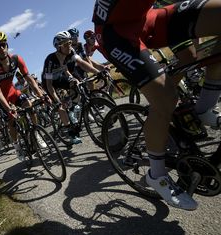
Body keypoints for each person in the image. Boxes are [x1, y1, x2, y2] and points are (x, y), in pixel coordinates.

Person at [92, 0, 221, 210]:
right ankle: (157, 175)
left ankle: (203, 108)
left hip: (151, 17)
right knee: (166, 98)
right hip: (116, 33)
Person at [0, 31, 49, 160]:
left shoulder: (16, 59)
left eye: (3, 44)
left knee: (29, 105)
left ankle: (36, 133)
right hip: (2, 98)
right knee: (11, 120)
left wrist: (40, 94)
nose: (2, 48)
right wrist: (8, 109)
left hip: (13, 92)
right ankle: (17, 146)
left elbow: (28, 78)